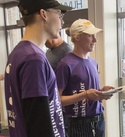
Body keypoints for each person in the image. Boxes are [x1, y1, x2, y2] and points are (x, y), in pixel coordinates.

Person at [3, 0, 72, 136]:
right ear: (43, 14)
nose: (62, 22)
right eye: (59, 14)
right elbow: (38, 125)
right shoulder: (33, 58)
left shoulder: (17, 53)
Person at [55, 19, 113, 137]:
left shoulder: (93, 62)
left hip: (99, 121)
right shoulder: (65, 65)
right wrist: (85, 95)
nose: (95, 40)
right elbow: (57, 100)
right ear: (77, 37)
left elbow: (90, 92)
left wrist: (101, 92)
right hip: (78, 125)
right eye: (90, 36)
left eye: (95, 36)